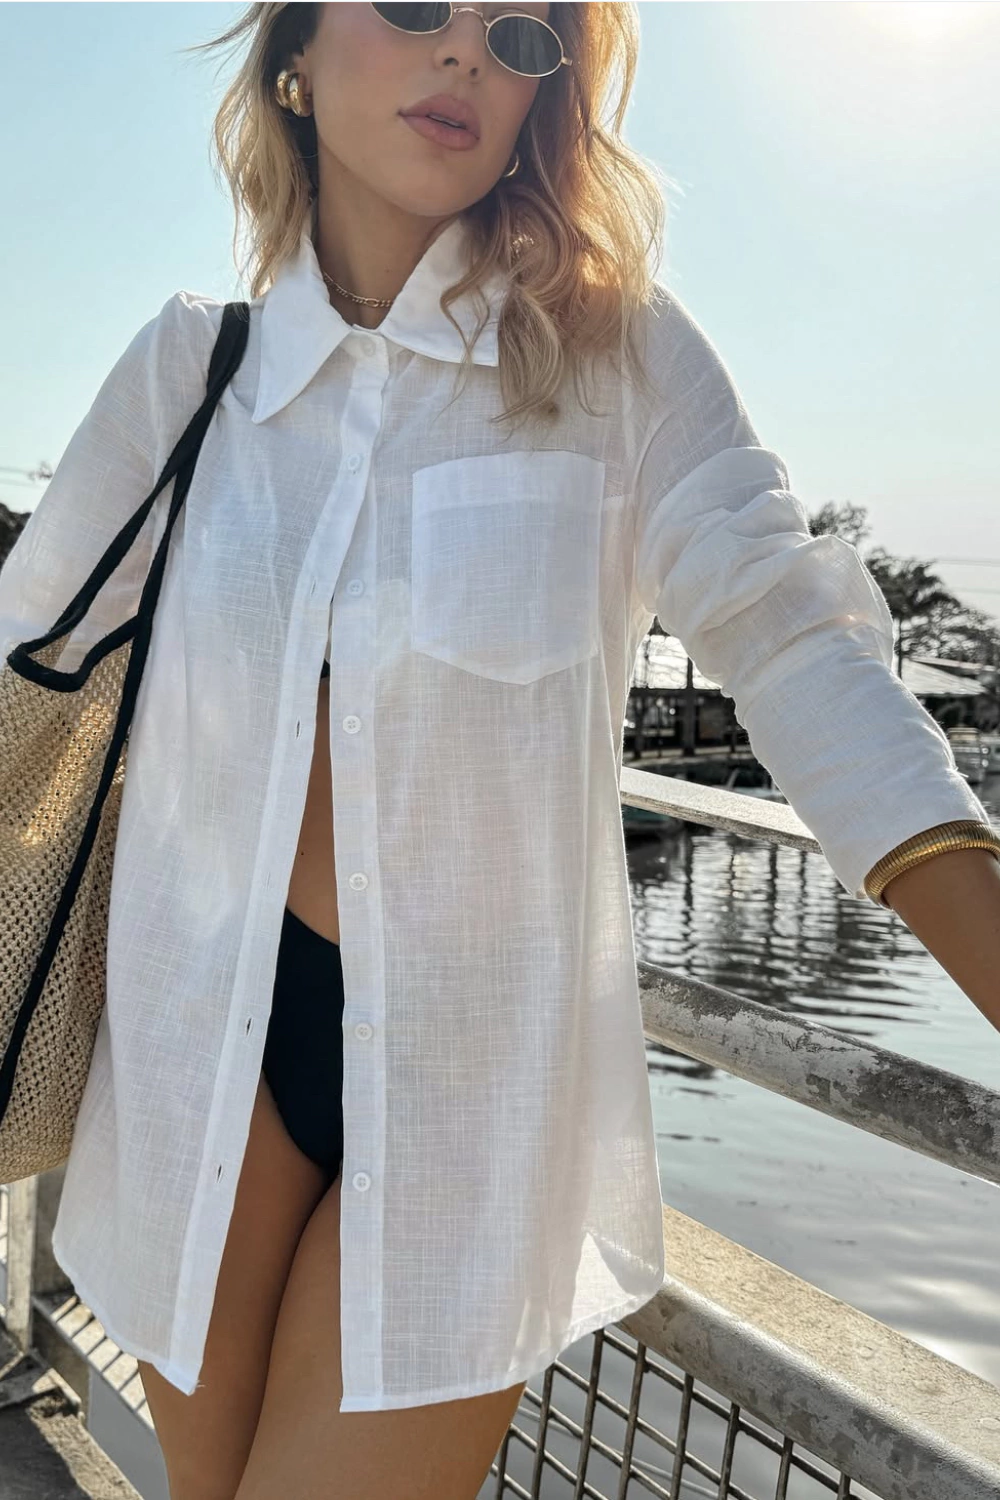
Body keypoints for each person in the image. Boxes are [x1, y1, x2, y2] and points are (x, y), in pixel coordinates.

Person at [2, 4, 998, 1499]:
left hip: (475, 1080)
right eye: (417, 5)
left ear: (548, 98)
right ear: (293, 56)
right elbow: (21, 657)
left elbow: (796, 645)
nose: (466, 51)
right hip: (196, 1047)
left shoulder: (620, 361)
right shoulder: (190, 378)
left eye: (522, 33)